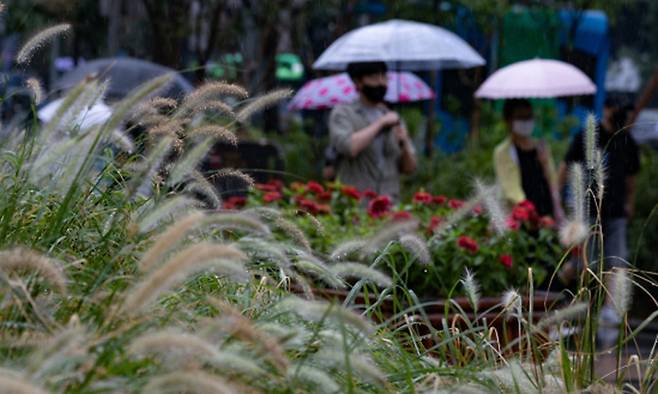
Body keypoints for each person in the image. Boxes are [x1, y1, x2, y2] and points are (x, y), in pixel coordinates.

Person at [558, 97, 641, 347]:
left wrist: (629, 202)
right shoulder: (586, 136)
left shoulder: (627, 140)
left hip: (615, 215)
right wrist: (557, 199)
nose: (620, 116)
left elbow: (631, 177)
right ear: (605, 109)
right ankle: (566, 305)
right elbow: (565, 168)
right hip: (587, 213)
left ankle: (607, 320)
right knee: (584, 263)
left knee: (616, 265)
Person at [328, 61, 416, 201]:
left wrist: (404, 142)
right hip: (355, 203)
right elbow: (349, 147)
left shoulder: (393, 117)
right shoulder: (343, 113)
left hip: (389, 203)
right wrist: (380, 123)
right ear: (358, 82)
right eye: (374, 78)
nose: (381, 83)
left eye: (384, 77)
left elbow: (409, 168)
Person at [493, 99, 564, 220]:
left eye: (529, 117)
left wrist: (545, 163)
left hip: (547, 217)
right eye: (520, 117)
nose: (526, 121)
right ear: (508, 121)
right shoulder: (503, 152)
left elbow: (553, 182)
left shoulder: (541, 147)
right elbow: (511, 190)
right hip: (521, 218)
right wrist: (530, 214)